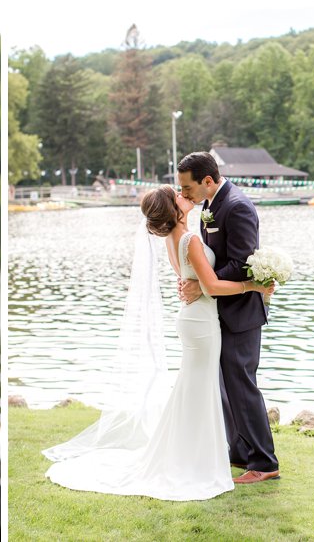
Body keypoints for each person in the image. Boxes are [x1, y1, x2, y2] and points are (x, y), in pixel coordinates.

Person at [43, 185, 273, 500]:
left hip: (194, 319)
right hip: (202, 323)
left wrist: (198, 286)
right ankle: (196, 458)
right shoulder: (190, 240)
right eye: (178, 194)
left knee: (195, 388)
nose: (185, 195)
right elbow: (213, 286)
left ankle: (198, 453)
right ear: (173, 208)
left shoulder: (173, 239)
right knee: (199, 387)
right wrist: (255, 286)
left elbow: (192, 280)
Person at [177, 151, 280, 483]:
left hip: (242, 311)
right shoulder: (209, 206)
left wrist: (204, 286)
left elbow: (242, 263)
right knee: (226, 385)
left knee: (242, 385)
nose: (183, 194)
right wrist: (202, 283)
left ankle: (265, 463)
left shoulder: (237, 207)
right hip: (221, 309)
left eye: (187, 187)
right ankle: (239, 453)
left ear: (207, 181)